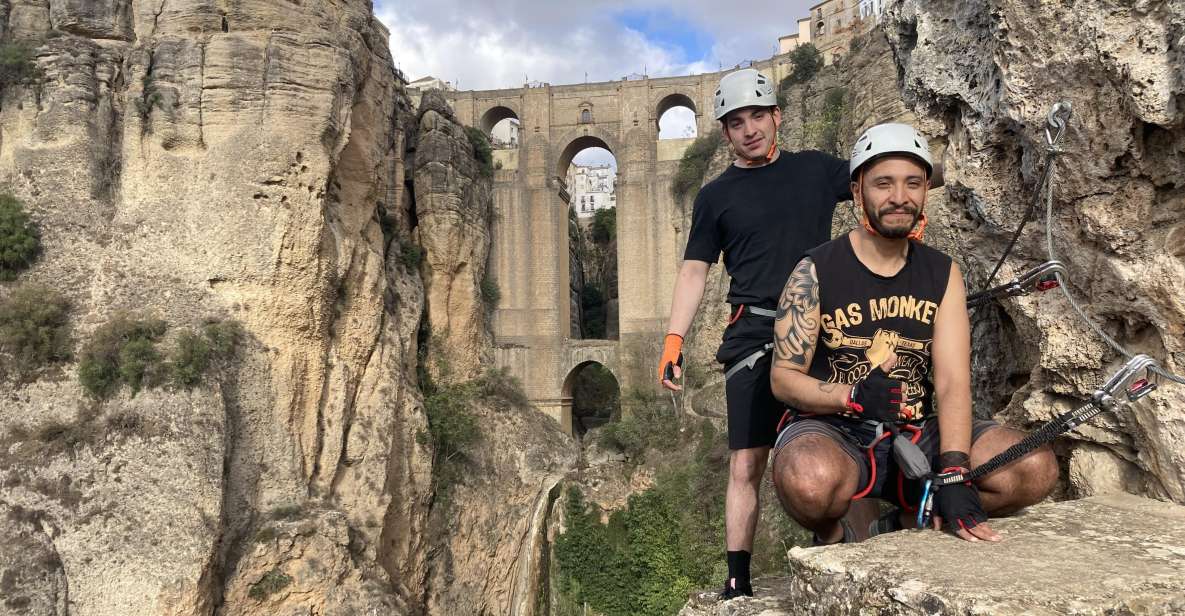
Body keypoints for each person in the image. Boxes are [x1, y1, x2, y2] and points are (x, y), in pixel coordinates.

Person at [767, 123, 1059, 546]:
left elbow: (953, 381)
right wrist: (850, 396)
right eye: (883, 183)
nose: (899, 197)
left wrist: (957, 470)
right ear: (857, 191)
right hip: (834, 430)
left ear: (924, 191)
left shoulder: (942, 273)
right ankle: (835, 535)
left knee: (1034, 467)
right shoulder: (814, 271)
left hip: (915, 430)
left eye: (912, 183)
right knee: (809, 481)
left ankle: (905, 522)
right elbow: (783, 379)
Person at [657, 67, 853, 599]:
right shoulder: (715, 197)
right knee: (747, 461)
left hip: (821, 330)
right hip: (753, 333)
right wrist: (675, 340)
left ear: (777, 117)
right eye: (737, 122)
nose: (749, 129)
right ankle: (737, 578)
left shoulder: (815, 171)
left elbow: (877, 175)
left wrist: (929, 179)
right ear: (725, 133)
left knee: (853, 437)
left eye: (758, 117)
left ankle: (852, 548)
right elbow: (695, 269)